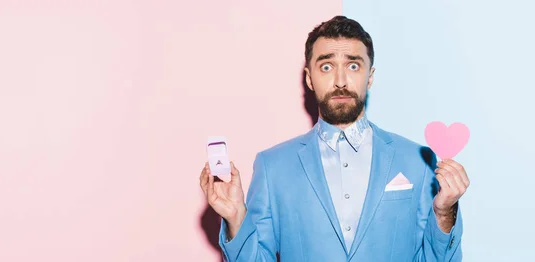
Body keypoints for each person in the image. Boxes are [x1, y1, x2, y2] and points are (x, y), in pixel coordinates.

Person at [199, 15, 469, 262]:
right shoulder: (272, 167)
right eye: (327, 66)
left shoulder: (416, 160)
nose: (341, 80)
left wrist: (445, 213)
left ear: (370, 77)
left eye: (353, 65)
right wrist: (236, 219)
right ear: (310, 79)